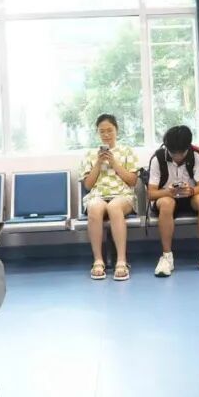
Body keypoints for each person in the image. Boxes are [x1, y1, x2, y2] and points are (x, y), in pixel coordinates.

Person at [148, 125, 199, 277]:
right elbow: (151, 194)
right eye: (173, 153)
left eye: (182, 153)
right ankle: (167, 256)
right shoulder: (157, 158)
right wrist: (169, 192)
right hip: (165, 197)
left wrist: (191, 191)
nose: (177, 157)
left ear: (188, 147)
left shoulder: (196, 154)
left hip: (190, 196)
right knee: (167, 203)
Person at [79, 114, 139, 281]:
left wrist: (114, 163)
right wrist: (98, 164)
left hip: (122, 195)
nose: (106, 134)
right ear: (97, 133)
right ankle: (98, 260)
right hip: (98, 194)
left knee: (114, 207)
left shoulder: (127, 151)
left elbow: (132, 181)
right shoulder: (90, 154)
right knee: (94, 207)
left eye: (109, 130)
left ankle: (121, 261)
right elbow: (88, 185)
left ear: (116, 130)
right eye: (102, 131)